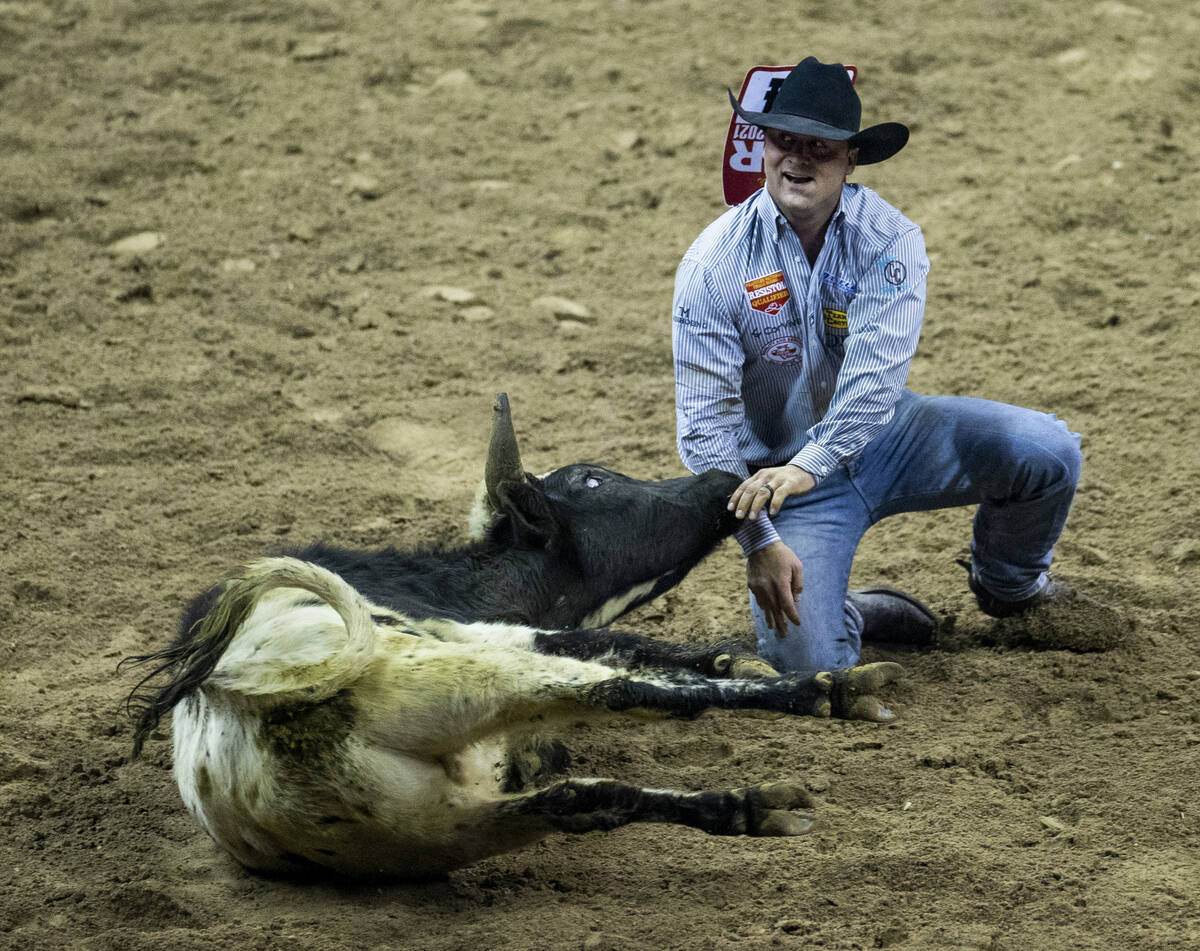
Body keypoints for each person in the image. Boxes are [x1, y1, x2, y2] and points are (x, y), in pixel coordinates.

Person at [671, 56, 1111, 674]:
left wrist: (812, 465)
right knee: (808, 667)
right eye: (783, 140)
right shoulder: (711, 266)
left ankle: (1010, 588)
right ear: (762, 146)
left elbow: (875, 382)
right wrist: (759, 541)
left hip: (883, 438)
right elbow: (704, 428)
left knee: (1047, 450)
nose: (796, 159)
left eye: (819, 147)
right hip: (778, 488)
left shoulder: (889, 238)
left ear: (851, 159)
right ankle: (856, 612)